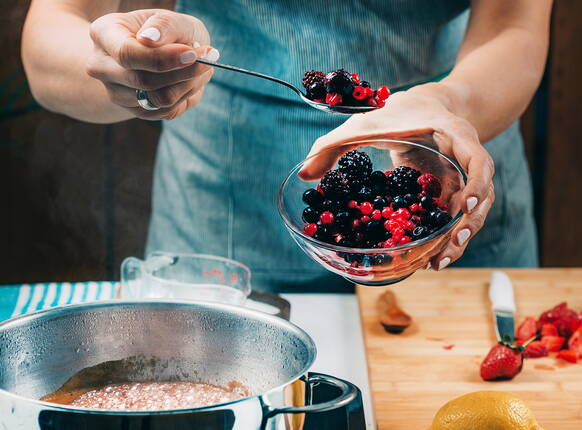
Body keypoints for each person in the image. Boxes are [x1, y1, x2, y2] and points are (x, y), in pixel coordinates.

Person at [21, 0, 552, 292]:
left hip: (443, 168)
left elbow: (515, 28)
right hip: (228, 205)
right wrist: (131, 66)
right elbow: (51, 41)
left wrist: (450, 103)